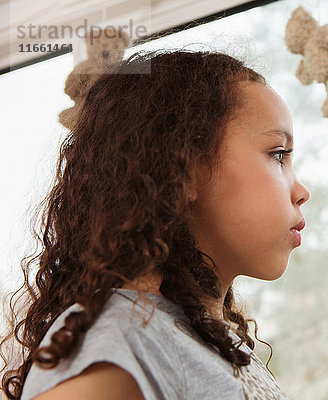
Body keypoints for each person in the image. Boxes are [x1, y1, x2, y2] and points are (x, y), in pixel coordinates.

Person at [0, 48, 310, 400]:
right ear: (184, 169)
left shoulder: (207, 335)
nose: (301, 191)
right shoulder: (121, 341)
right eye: (278, 154)